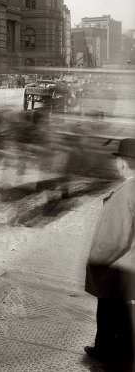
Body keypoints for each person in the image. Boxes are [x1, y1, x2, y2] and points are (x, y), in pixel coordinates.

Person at [84, 138, 135, 369]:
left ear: (123, 164)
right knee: (122, 315)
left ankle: (107, 352)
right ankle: (119, 351)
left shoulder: (125, 194)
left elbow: (116, 239)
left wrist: (96, 262)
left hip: (118, 267)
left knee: (109, 313)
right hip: (129, 269)